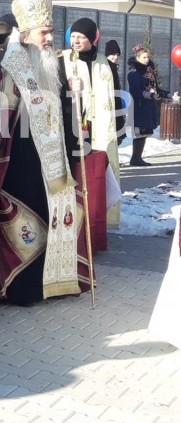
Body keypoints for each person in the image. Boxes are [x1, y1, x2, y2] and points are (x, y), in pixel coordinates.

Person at [0, 0, 89, 306]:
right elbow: (1, 116)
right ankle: (23, 288)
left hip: (52, 160)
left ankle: (53, 281)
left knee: (54, 218)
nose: (49, 38)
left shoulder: (51, 65)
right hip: (21, 162)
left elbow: (59, 111)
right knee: (27, 223)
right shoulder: (9, 67)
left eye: (51, 31)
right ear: (25, 36)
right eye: (43, 32)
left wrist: (73, 97)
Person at [58, 18, 123, 252]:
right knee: (79, 179)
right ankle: (74, 229)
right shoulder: (63, 60)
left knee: (99, 181)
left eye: (82, 37)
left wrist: (119, 124)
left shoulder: (106, 64)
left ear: (92, 39)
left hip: (102, 130)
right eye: (73, 36)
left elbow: (116, 96)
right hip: (74, 129)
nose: (76, 41)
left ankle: (96, 231)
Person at [127, 44, 168, 166]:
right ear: (137, 58)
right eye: (144, 57)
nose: (147, 59)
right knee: (140, 132)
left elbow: (155, 88)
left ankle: (138, 157)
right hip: (139, 106)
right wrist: (150, 95)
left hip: (148, 105)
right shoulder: (134, 73)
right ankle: (135, 158)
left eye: (148, 57)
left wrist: (165, 94)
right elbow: (136, 91)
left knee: (144, 133)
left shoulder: (149, 72)